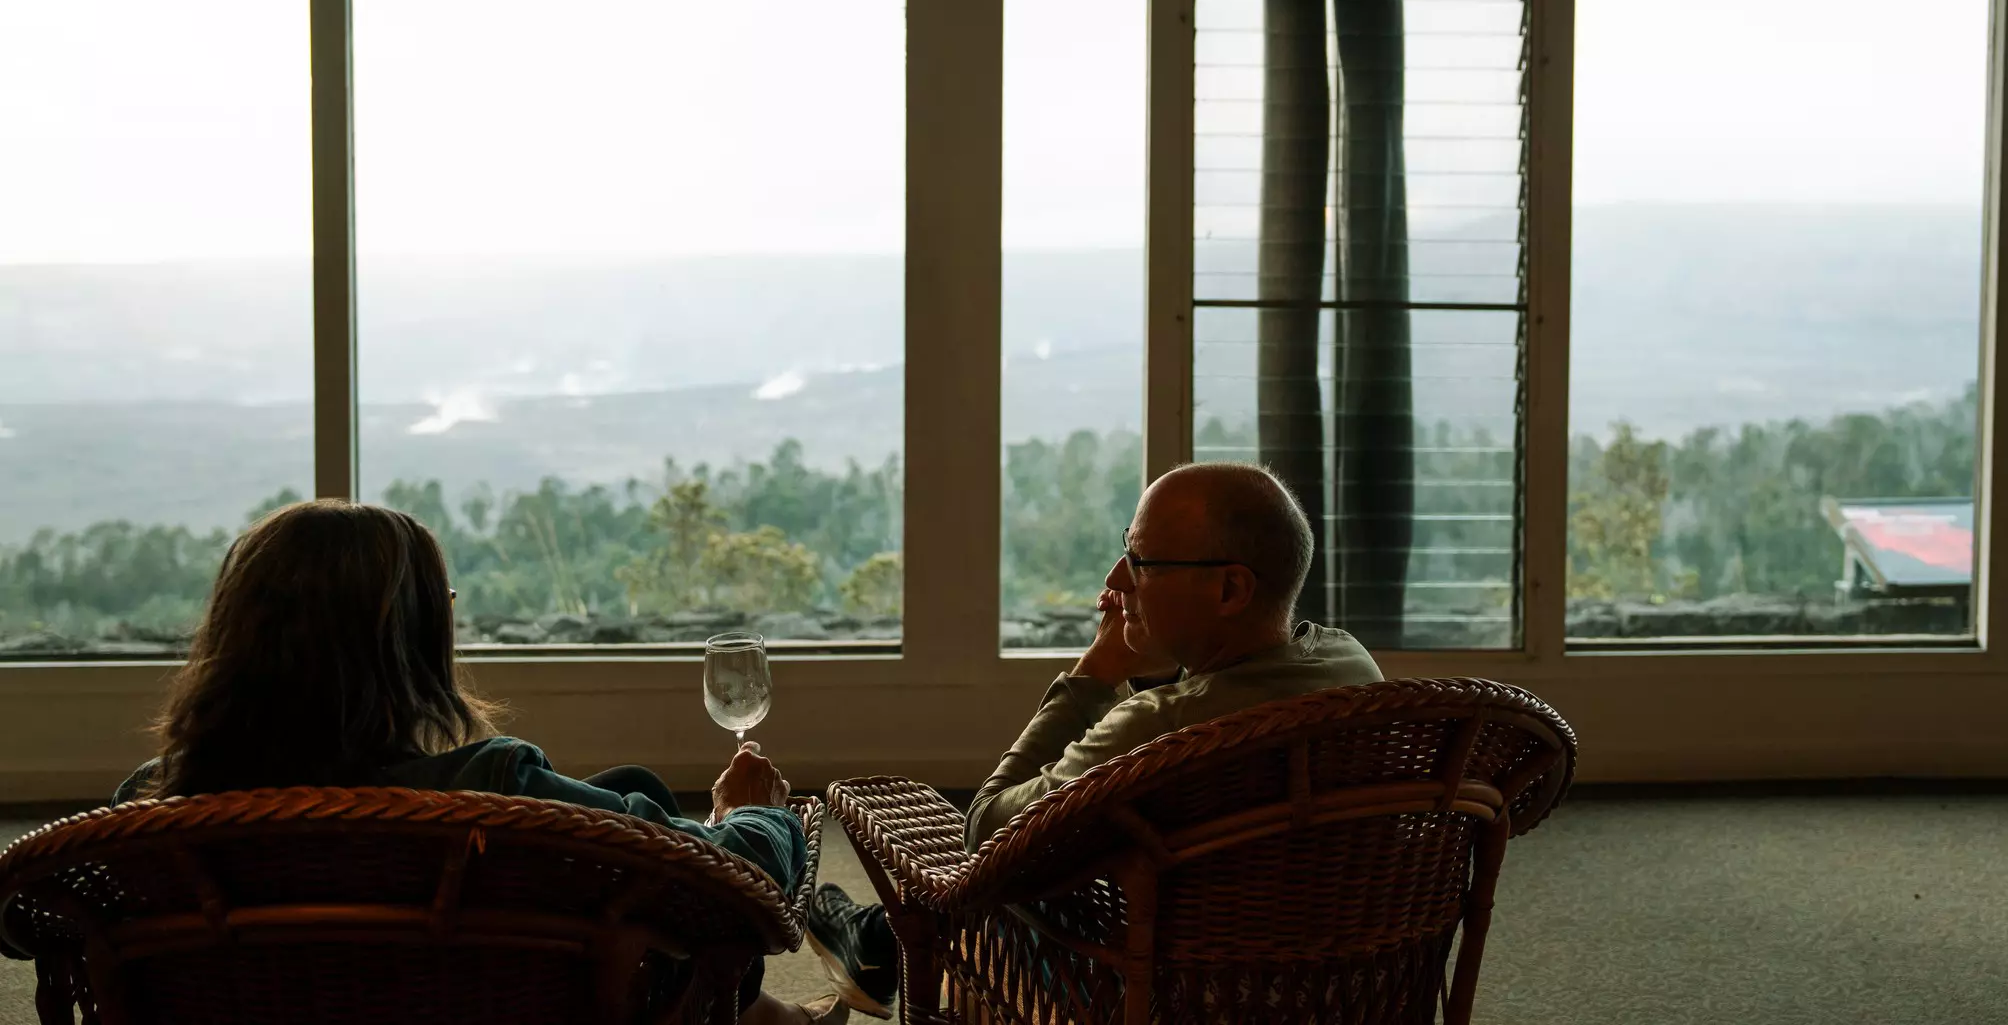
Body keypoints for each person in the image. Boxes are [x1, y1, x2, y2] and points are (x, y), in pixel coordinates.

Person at [113, 500, 845, 1025]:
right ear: (401, 645)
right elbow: (739, 885)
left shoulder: (152, 810)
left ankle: (768, 1013)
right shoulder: (494, 791)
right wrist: (752, 811)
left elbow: (27, 924)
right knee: (641, 834)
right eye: (445, 609)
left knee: (630, 791)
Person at [803, 461, 1385, 1017]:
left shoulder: (1155, 726)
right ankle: (876, 938)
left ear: (1230, 590)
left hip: (1158, 994)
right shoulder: (1350, 665)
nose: (1114, 578)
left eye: (1141, 561)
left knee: (996, 879)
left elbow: (989, 830)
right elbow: (1227, 690)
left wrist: (1095, 673)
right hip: (1339, 983)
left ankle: (878, 941)